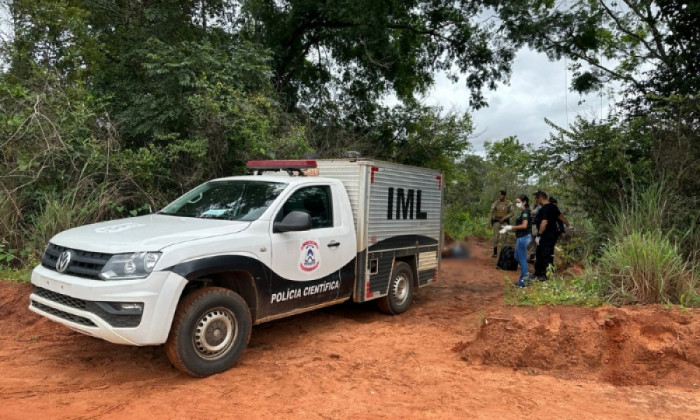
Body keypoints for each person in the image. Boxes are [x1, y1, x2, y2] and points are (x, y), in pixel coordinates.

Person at [500, 194, 532, 287]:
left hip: (523, 237)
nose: (517, 204)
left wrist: (510, 227)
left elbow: (524, 226)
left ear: (524, 202)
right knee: (517, 257)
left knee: (522, 259)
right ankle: (527, 276)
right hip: (521, 237)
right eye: (516, 202)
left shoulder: (525, 212)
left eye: (518, 202)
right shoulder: (523, 212)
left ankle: (523, 281)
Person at [533, 190, 565, 280]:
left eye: (536, 198)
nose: (536, 200)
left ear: (540, 198)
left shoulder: (544, 208)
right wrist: (568, 224)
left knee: (543, 253)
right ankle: (545, 272)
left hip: (546, 235)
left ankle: (543, 274)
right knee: (549, 253)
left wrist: (539, 235)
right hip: (553, 234)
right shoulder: (553, 207)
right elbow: (561, 217)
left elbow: (544, 222)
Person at [488, 190, 513, 258]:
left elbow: (512, 213)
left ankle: (503, 253)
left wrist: (504, 218)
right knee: (495, 237)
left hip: (504, 222)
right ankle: (495, 252)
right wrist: (489, 222)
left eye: (501, 195)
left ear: (504, 195)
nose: (499, 196)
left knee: (504, 237)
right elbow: (491, 212)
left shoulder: (509, 203)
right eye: (499, 195)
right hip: (496, 221)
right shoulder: (496, 203)